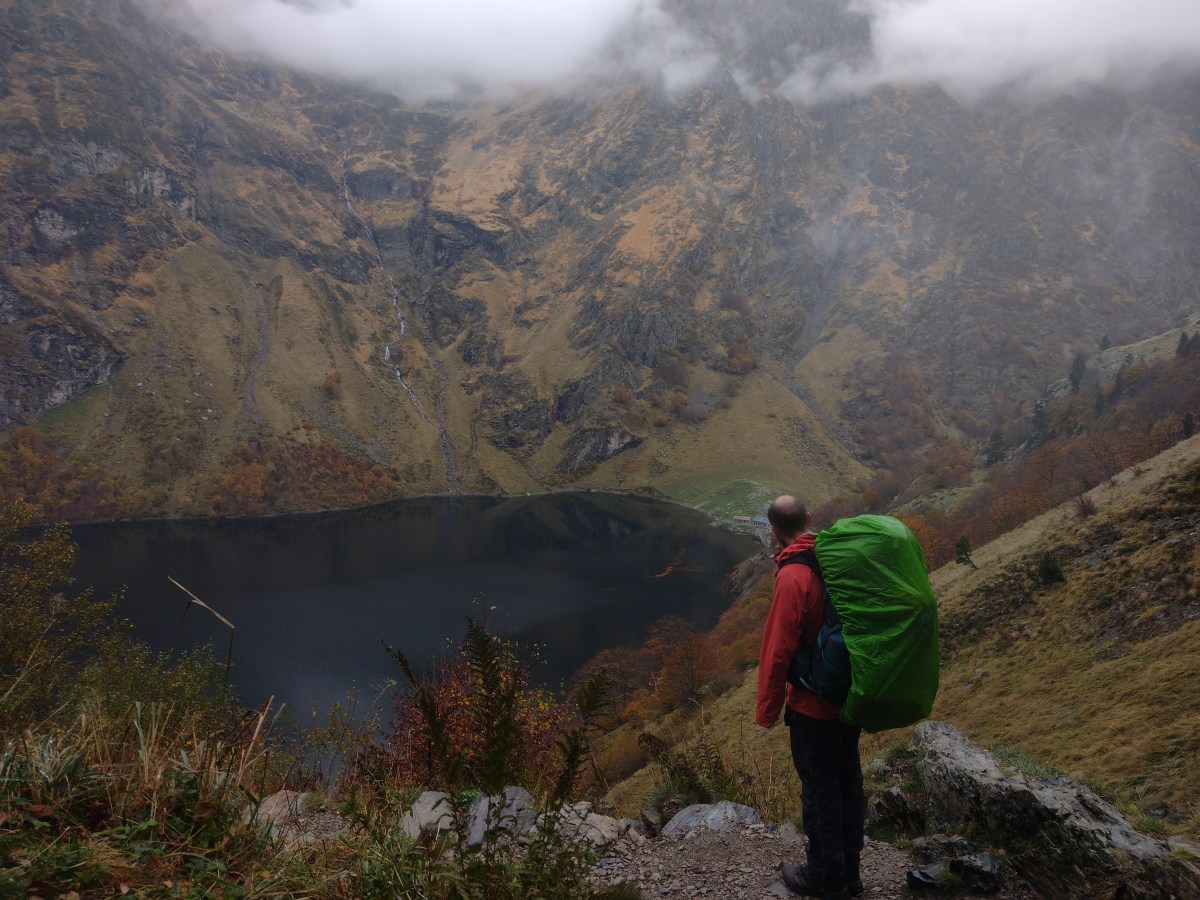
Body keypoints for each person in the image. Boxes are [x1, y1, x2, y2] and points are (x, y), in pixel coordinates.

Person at [756, 495, 864, 900]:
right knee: (849, 782)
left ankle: (824, 878)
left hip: (812, 705)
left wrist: (767, 711)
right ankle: (851, 873)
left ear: (773, 530)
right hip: (848, 699)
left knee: (821, 792)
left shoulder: (792, 577)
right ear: (809, 518)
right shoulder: (836, 558)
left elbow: (777, 650)